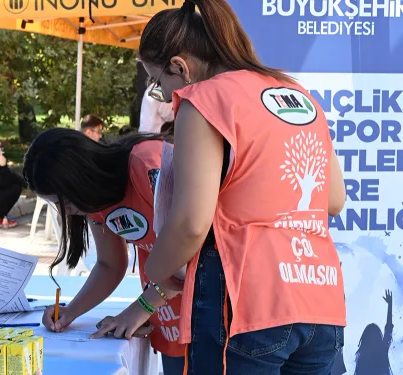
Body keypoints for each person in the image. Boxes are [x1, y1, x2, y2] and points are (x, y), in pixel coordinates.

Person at [136, 1, 347, 374]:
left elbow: (190, 223)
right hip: (320, 301)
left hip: (245, 304)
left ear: (179, 67)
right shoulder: (296, 93)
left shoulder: (204, 101)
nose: (165, 97)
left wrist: (157, 270)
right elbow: (333, 200)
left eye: (159, 83)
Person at [23, 128, 187, 374]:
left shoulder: (146, 165)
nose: (64, 212)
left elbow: (193, 247)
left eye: (63, 202)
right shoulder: (94, 202)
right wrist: (69, 313)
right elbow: (110, 265)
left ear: (79, 178)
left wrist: (141, 307)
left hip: (214, 309)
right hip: (173, 319)